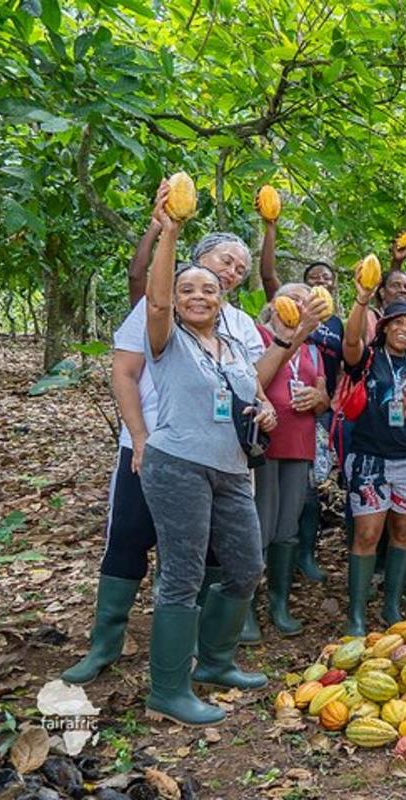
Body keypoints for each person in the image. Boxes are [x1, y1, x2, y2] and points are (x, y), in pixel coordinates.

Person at [62, 187, 307, 686]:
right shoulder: (166, 306)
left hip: (219, 455)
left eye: (240, 267)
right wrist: (139, 436)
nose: (233, 270)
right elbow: (125, 373)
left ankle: (202, 652)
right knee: (129, 541)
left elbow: (250, 382)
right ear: (196, 259)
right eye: (225, 260)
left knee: (215, 557)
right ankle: (105, 648)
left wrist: (263, 403)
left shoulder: (239, 324)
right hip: (155, 447)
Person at [138, 185, 280, 726]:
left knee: (246, 566)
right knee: (182, 573)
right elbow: (155, 300)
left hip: (232, 471)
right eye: (188, 289)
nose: (199, 296)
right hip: (177, 465)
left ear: (222, 301)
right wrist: (170, 230)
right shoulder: (167, 337)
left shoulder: (235, 347)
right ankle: (168, 690)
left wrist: (265, 413)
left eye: (210, 290)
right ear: (176, 300)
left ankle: (217, 661)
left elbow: (254, 397)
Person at [340, 289, 406, 634]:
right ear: (384, 327)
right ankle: (356, 615)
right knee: (367, 533)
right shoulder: (368, 359)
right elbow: (350, 341)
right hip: (370, 459)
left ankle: (391, 607)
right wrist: (361, 301)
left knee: (403, 531)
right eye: (398, 323)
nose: (404, 331)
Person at [244, 284, 330, 642]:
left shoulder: (313, 349)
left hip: (300, 443)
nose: (300, 304)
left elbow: (325, 400)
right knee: (259, 525)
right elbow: (254, 380)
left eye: (306, 300)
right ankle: (245, 607)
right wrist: (296, 333)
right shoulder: (257, 335)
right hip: (264, 443)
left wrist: (317, 397)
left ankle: (278, 603)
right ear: (273, 304)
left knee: (287, 527)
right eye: (293, 297)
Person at [292, 261, 343, 583]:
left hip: (321, 406)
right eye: (314, 278)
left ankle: (306, 554)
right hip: (285, 401)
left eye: (326, 278)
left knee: (312, 484)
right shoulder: (291, 312)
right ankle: (279, 554)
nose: (321, 282)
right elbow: (268, 276)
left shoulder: (337, 323)